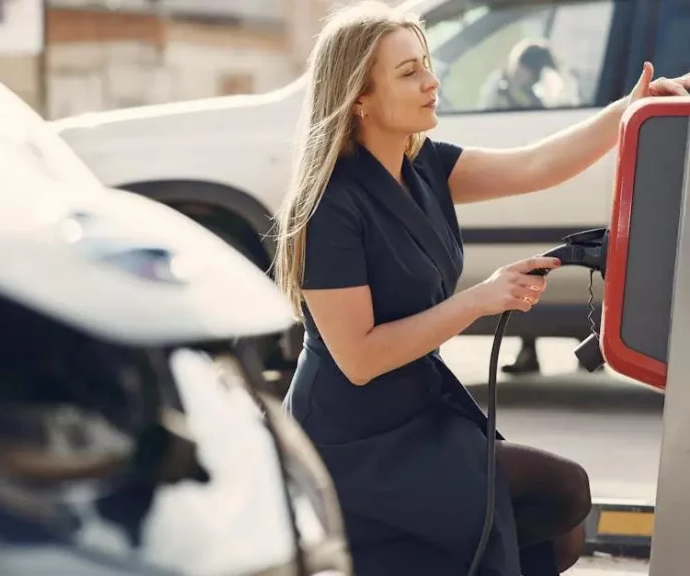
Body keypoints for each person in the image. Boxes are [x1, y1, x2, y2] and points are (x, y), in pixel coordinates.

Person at [273, 2, 690, 575]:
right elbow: (361, 358)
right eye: (408, 72)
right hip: (352, 441)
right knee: (559, 498)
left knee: (554, 530)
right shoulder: (330, 206)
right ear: (359, 98)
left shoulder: (426, 167)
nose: (431, 80)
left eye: (426, 63)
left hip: (417, 412)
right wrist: (482, 298)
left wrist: (630, 109)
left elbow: (536, 165)